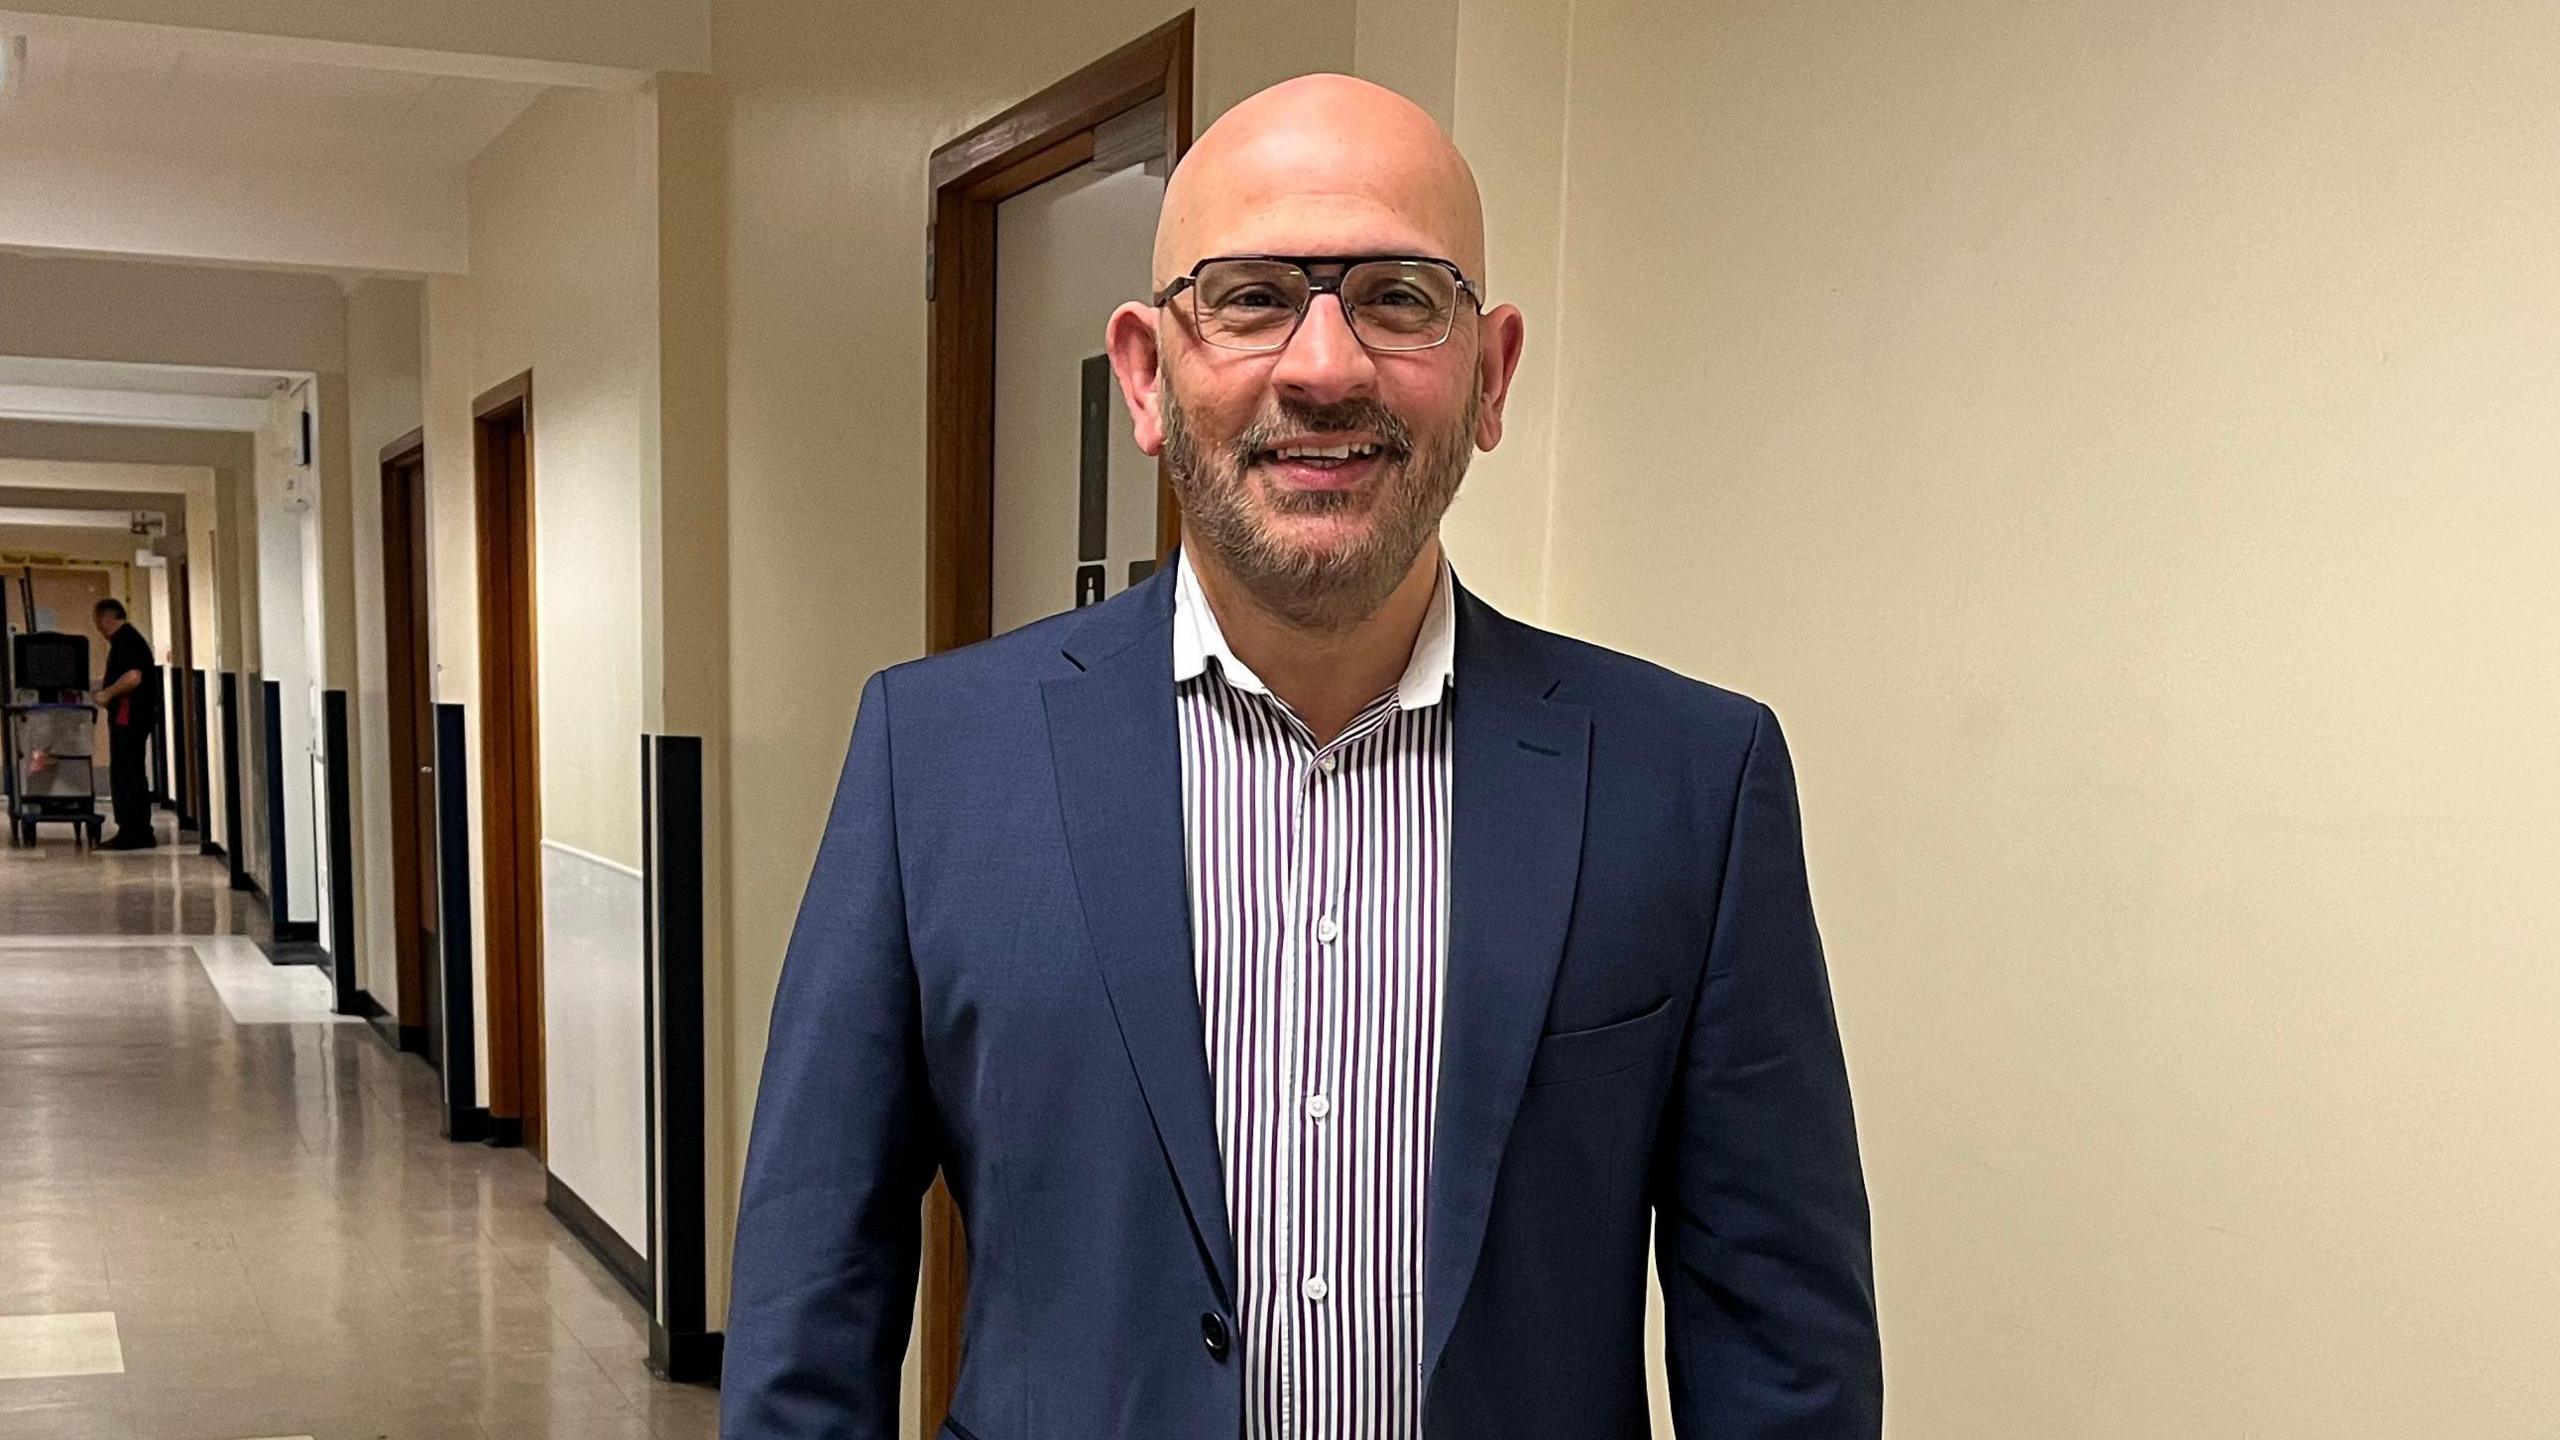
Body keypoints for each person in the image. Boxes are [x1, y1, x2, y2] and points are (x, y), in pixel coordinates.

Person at [725, 75, 1881, 1439]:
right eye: (1252, 296)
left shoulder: (1689, 782)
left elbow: (1781, 1350)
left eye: (1398, 297)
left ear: (1492, 372)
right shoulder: (937, 759)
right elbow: (814, 1300)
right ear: (1148, 376)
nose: (1325, 367)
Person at [91, 597, 160, 850]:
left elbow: (133, 677)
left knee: (127, 773)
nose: (97, 626)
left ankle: (134, 831)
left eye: (97, 620)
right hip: (130, 717)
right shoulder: (127, 640)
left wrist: (107, 694)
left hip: (129, 717)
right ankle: (135, 829)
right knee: (129, 771)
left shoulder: (126, 641)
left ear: (106, 618)